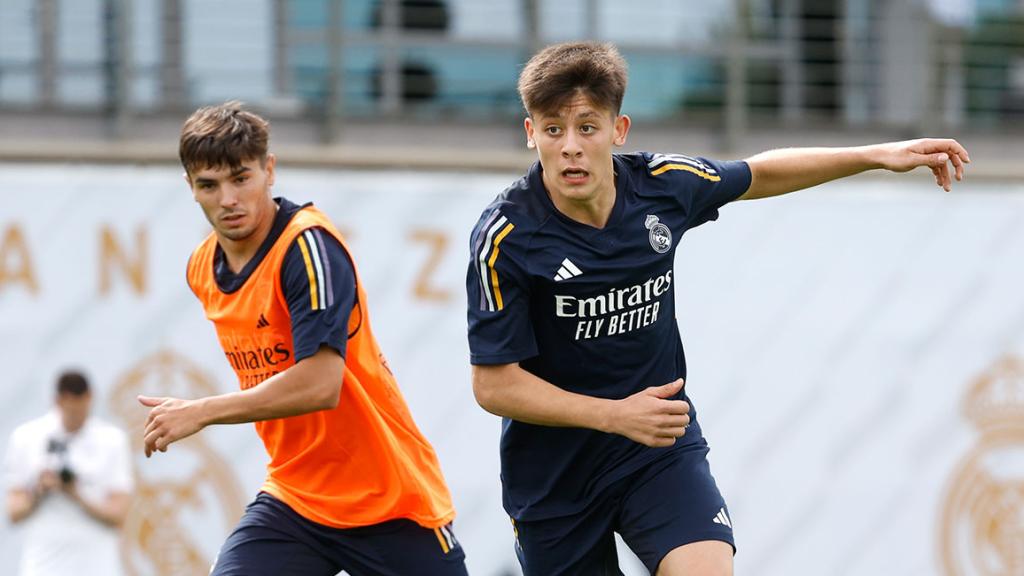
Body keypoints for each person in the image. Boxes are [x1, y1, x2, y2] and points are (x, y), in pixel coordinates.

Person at [466, 41, 969, 576]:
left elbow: (757, 173)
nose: (569, 146)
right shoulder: (507, 237)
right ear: (530, 134)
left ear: (619, 130)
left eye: (587, 127)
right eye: (552, 129)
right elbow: (493, 384)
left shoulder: (661, 185)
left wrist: (874, 155)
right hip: (554, 477)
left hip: (657, 447)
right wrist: (613, 415)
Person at [137, 102, 467, 576]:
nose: (228, 198)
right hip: (297, 498)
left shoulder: (307, 248)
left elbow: (320, 384)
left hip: (387, 500)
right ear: (190, 188)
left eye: (241, 178)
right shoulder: (201, 267)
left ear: (269, 171)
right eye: (209, 185)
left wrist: (203, 411)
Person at [4, 370, 134, 576]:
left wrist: (75, 493)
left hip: (96, 565)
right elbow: (14, 512)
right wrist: (39, 490)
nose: (76, 418)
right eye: (71, 412)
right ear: (58, 401)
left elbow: (118, 514)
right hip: (43, 565)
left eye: (81, 411)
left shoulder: (112, 440)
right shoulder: (26, 437)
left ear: (90, 398)